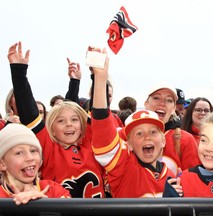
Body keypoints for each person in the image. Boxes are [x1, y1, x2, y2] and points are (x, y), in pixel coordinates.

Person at [7, 41, 105, 198]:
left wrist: (97, 75)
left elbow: (99, 110)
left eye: (74, 120)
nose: (68, 124)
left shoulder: (90, 144)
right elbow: (29, 112)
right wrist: (19, 73)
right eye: (60, 121)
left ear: (82, 125)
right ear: (51, 128)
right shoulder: (49, 150)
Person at [90, 47, 175, 197]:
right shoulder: (124, 165)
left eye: (153, 132)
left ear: (163, 140)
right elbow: (103, 130)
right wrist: (100, 79)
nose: (147, 137)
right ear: (128, 144)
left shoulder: (170, 176)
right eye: (139, 133)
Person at [0, 123, 71, 204]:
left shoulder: (54, 189)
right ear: (2, 164)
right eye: (19, 153)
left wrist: (43, 205)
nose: (30, 158)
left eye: (33, 151)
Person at [144, 85, 201, 175]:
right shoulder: (129, 136)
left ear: (174, 108)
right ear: (146, 104)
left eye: (169, 100)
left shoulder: (185, 140)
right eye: (156, 98)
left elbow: (194, 180)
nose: (162, 103)